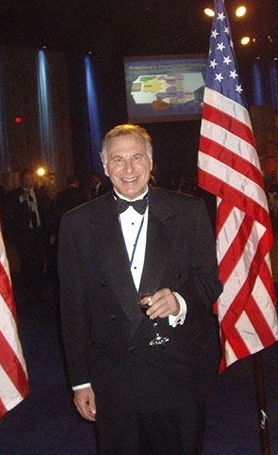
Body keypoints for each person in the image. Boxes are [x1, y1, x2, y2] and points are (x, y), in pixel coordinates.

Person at [58, 124, 222, 455]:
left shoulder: (189, 211)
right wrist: (80, 381)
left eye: (136, 157)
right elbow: (71, 310)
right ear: (104, 167)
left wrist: (180, 301)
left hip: (177, 374)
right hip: (114, 378)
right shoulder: (77, 223)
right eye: (118, 160)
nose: (129, 169)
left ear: (151, 161)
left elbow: (209, 280)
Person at [6, 168, 54, 301]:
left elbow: (47, 214)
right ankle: (27, 293)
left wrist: (51, 232)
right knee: (27, 264)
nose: (29, 181)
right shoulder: (15, 195)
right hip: (24, 235)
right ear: (22, 180)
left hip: (38, 233)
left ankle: (38, 292)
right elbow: (10, 212)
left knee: (38, 263)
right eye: (26, 179)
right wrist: (22, 199)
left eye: (31, 178)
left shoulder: (40, 194)